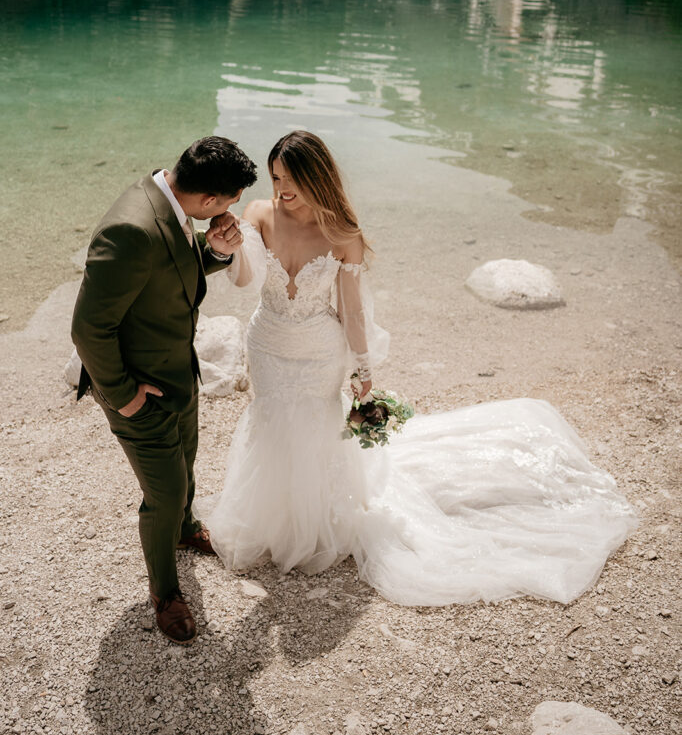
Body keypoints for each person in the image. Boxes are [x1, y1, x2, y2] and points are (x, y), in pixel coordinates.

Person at [198, 130, 638, 606]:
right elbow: (247, 281)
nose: (280, 189)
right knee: (270, 421)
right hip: (266, 342)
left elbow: (351, 310)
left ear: (317, 177)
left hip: (318, 351)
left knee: (315, 427)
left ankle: (317, 523)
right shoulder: (259, 213)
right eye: (276, 177)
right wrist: (234, 248)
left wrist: (363, 369)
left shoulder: (343, 235)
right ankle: (273, 519)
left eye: (291, 180)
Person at [72, 136, 257, 643]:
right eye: (228, 202)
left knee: (188, 460)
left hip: (180, 372)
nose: (229, 211)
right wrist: (123, 394)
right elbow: (88, 329)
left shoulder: (169, 200)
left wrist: (215, 251)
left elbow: (168, 268)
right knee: (165, 491)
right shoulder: (129, 228)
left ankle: (183, 529)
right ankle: (166, 594)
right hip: (140, 392)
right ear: (208, 200)